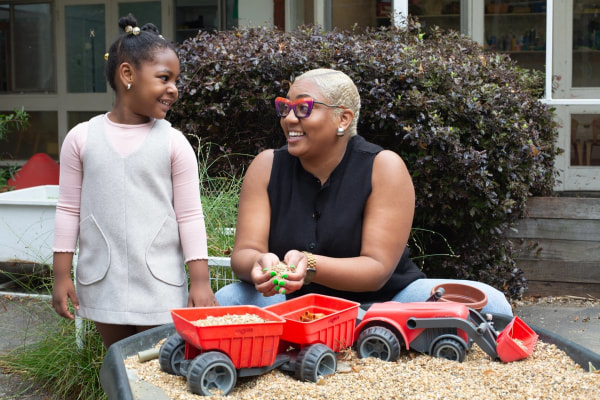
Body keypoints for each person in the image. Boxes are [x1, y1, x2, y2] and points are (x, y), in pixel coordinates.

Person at [215, 68, 513, 316]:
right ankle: (351, 335)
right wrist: (259, 265)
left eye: (304, 108)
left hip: (382, 303)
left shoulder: (383, 167)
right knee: (229, 298)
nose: (290, 119)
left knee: (493, 306)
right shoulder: (266, 166)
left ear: (343, 119)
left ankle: (351, 329)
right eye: (285, 107)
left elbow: (377, 269)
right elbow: (244, 252)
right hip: (288, 303)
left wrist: (312, 265)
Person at [51, 14, 217, 349]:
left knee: (158, 369)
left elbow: (189, 215)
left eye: (176, 80)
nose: (174, 89)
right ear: (127, 74)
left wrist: (200, 280)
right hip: (102, 280)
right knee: (119, 362)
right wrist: (61, 275)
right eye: (164, 78)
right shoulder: (81, 138)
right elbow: (68, 208)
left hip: (161, 283)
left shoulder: (174, 143)